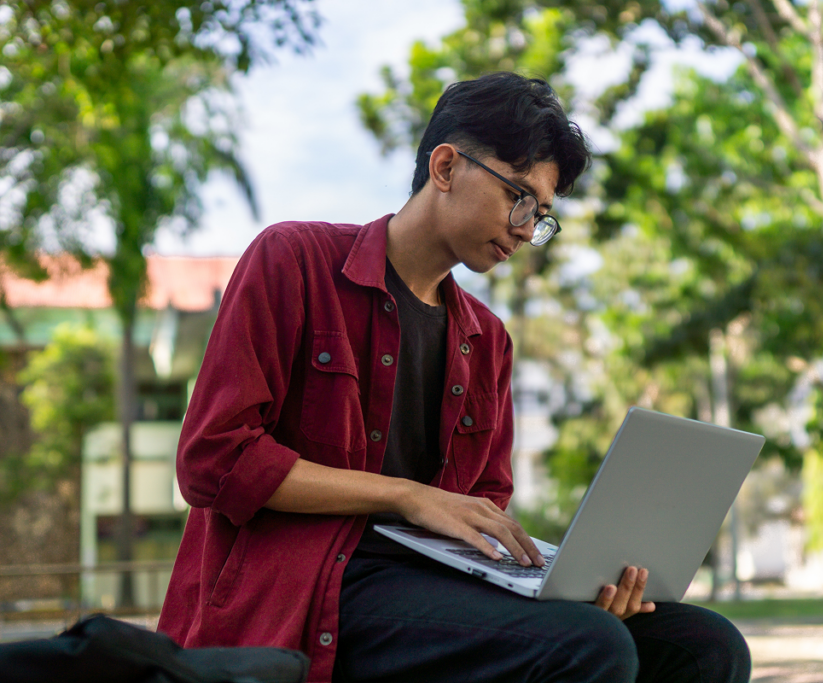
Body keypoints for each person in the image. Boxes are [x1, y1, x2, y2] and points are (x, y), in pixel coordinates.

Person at [158, 72, 751, 683]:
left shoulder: (487, 339)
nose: (526, 228)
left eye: (542, 215)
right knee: (589, 646)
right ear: (445, 167)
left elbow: (483, 502)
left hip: (427, 588)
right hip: (303, 589)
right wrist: (408, 496)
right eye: (518, 196)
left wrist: (562, 579)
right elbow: (215, 459)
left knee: (706, 644)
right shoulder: (294, 260)